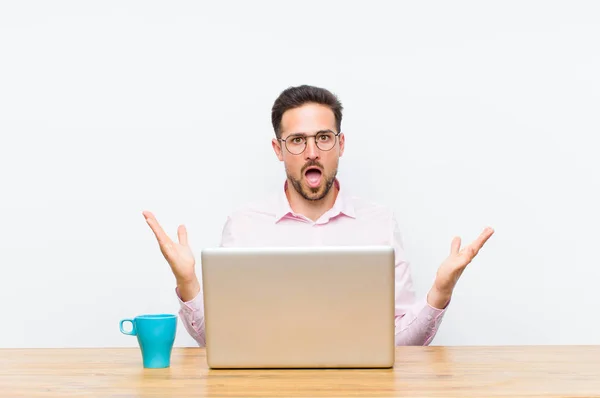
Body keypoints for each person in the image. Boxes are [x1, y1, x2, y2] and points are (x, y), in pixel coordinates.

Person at [142, 85, 494, 346]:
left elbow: (402, 343)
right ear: (278, 150)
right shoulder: (244, 224)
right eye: (297, 140)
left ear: (340, 145)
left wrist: (441, 290)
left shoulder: (379, 222)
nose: (312, 152)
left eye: (323, 137)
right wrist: (188, 282)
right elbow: (218, 340)